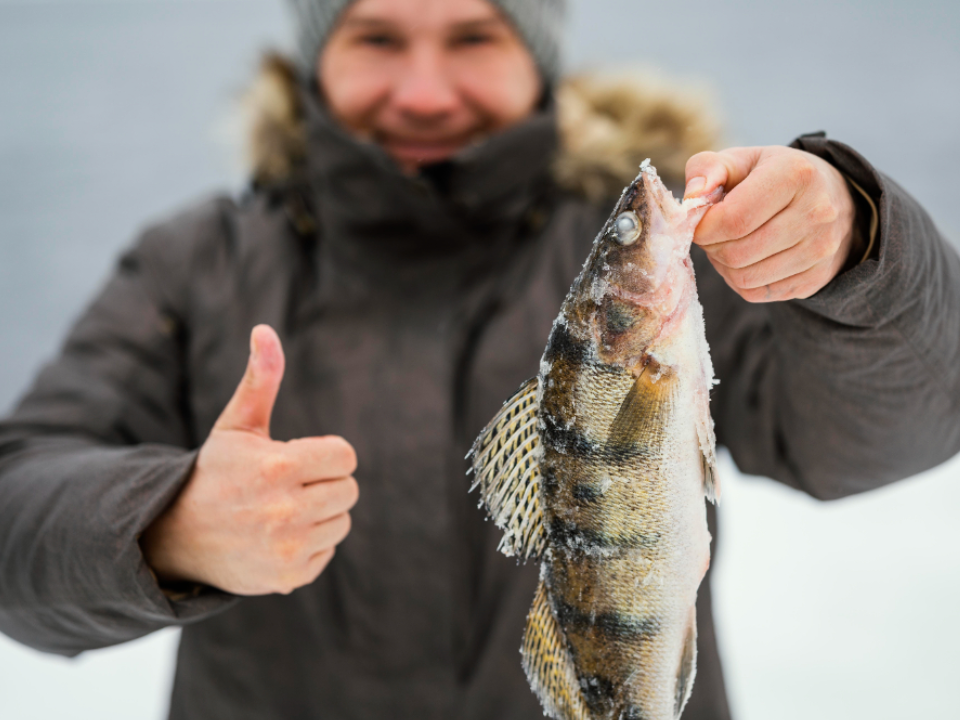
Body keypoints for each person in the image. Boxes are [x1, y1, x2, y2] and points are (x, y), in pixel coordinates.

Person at [0, 0, 958, 718]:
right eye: (377, 37)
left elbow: (895, 427)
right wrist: (165, 529)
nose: (423, 90)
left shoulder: (678, 267)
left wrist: (859, 248)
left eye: (473, 37)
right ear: (312, 56)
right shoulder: (193, 263)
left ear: (536, 56)